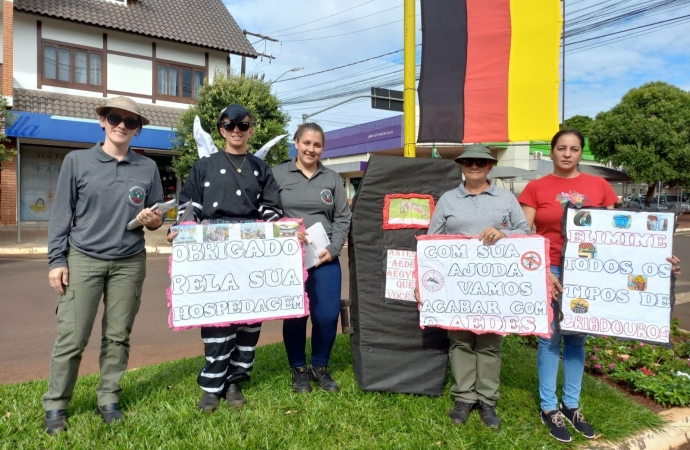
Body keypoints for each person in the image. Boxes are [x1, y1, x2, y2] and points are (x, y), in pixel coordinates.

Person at [518, 128, 682, 443]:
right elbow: (525, 234)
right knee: (550, 339)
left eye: (574, 149)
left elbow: (621, 236)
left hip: (587, 273)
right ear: (552, 152)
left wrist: (660, 260)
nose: (567, 154)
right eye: (561, 148)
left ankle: (571, 405)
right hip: (551, 269)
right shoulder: (535, 188)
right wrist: (540, 272)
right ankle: (548, 407)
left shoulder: (599, 186)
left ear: (581, 153)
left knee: (577, 339)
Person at [43, 96, 164, 435]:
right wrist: (57, 260)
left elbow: (155, 220)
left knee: (117, 336)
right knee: (72, 337)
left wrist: (152, 220)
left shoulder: (147, 167)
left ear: (138, 130)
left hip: (129, 261)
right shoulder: (77, 161)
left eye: (131, 122)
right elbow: (61, 214)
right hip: (83, 258)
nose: (122, 125)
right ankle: (56, 406)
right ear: (102, 121)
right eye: (115, 118)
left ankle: (108, 398)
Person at [168, 104, 282, 413]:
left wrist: (284, 231)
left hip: (251, 251)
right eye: (229, 125)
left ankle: (235, 381)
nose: (236, 130)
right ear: (220, 130)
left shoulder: (261, 168)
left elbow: (271, 209)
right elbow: (189, 204)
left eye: (242, 125)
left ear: (250, 130)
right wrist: (185, 228)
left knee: (248, 318)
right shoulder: (203, 166)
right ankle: (212, 385)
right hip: (214, 251)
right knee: (218, 318)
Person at [420, 144, 530, 430]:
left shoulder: (506, 198)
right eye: (468, 162)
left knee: (489, 343)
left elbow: (525, 232)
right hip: (457, 287)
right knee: (460, 341)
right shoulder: (447, 199)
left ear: (490, 167)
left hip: (493, 286)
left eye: (480, 162)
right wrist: (426, 283)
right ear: (461, 166)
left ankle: (488, 400)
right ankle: (464, 397)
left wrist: (504, 233)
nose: (474, 166)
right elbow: (433, 241)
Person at [272, 123, 352, 393]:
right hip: (290, 259)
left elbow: (343, 216)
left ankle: (320, 366)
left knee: (327, 316)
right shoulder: (278, 174)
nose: (311, 149)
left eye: (317, 145)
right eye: (306, 143)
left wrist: (335, 246)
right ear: (296, 142)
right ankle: (298, 370)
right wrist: (286, 230)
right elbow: (267, 212)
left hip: (324, 258)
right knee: (296, 315)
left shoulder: (332, 178)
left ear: (323, 148)